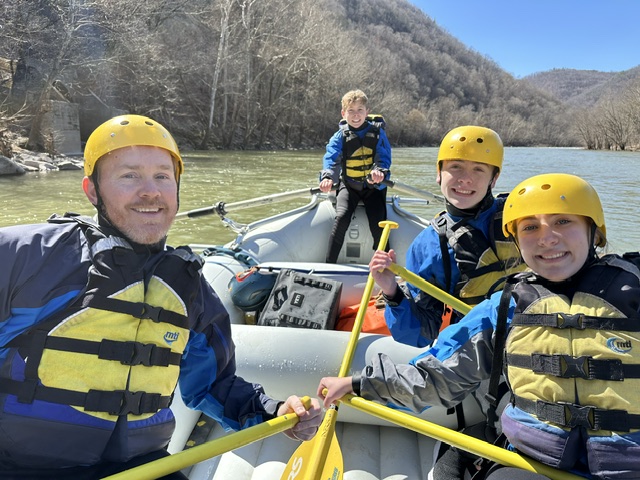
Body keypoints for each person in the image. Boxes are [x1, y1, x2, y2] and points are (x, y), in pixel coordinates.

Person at [0, 114, 322, 480]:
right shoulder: (26, 256)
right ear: (92, 190)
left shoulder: (190, 290)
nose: (150, 191)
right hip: (22, 468)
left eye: (162, 177)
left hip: (142, 468)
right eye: (129, 175)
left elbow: (215, 385)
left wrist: (273, 410)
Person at [319, 173, 640, 479]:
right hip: (534, 461)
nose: (546, 238)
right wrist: (361, 383)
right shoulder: (504, 307)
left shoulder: (633, 289)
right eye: (530, 227)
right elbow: (437, 375)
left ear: (594, 231)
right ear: (517, 241)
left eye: (563, 221)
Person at [370, 125, 525, 478]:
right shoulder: (429, 246)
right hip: (481, 355)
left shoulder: (522, 218)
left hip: (537, 338)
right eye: (455, 168)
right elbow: (423, 330)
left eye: (477, 170)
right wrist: (392, 291)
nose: (464, 180)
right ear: (439, 173)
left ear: (494, 177)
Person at [319, 89, 392, 263]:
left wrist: (379, 171)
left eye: (360, 110)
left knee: (378, 224)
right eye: (351, 111)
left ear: (367, 112)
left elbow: (383, 156)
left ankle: (386, 268)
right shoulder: (339, 137)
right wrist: (327, 177)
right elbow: (331, 159)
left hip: (374, 188)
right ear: (344, 113)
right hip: (349, 186)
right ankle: (329, 265)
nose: (356, 115)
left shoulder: (378, 133)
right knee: (341, 218)